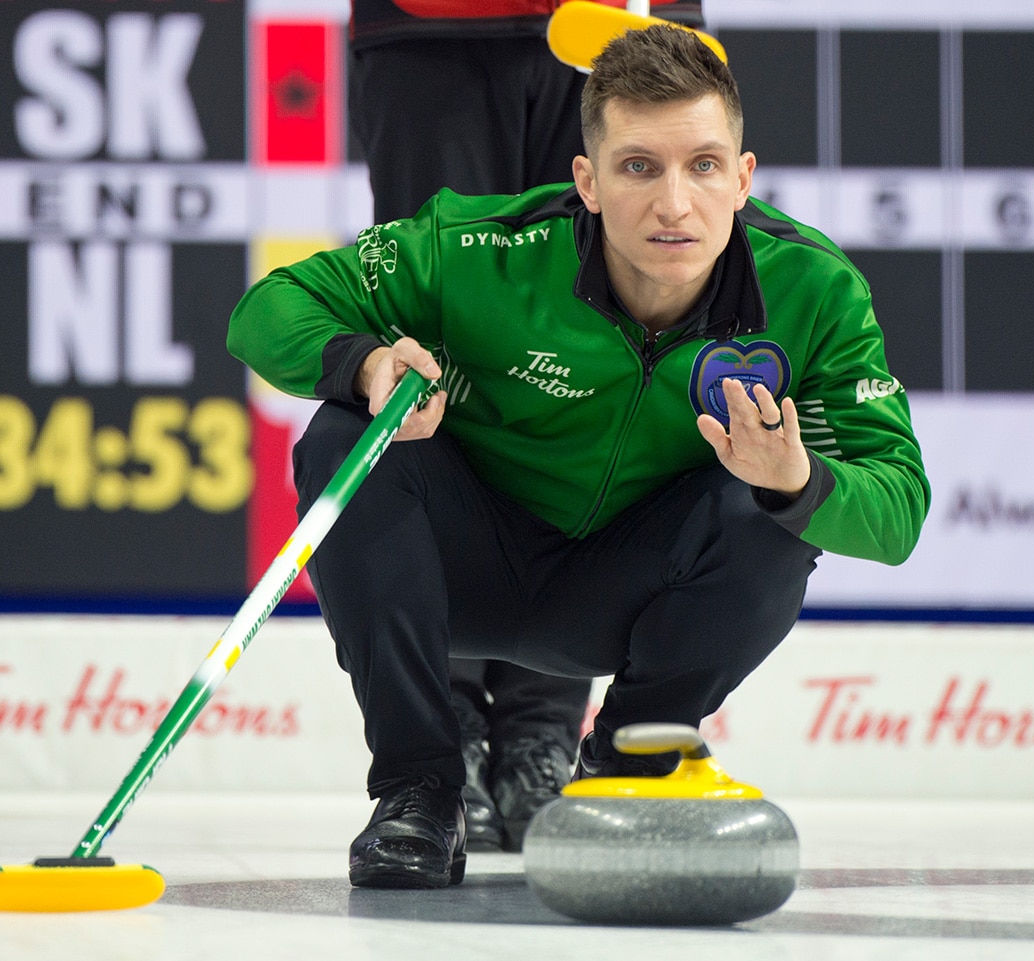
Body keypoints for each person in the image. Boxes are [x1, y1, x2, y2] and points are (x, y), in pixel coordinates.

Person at [228, 24, 930, 890]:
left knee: (767, 510)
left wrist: (796, 476)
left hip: (627, 589)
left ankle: (623, 767)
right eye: (640, 167)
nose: (675, 203)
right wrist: (367, 365)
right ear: (587, 181)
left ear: (744, 178)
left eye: (704, 166)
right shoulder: (482, 249)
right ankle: (419, 790)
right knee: (345, 437)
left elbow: (898, 510)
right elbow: (265, 309)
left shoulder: (816, 291)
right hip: (467, 570)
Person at [346, 0, 708, 854]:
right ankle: (450, 737)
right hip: (432, 26)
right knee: (438, 337)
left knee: (601, 336)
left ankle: (543, 731)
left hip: (624, 25)